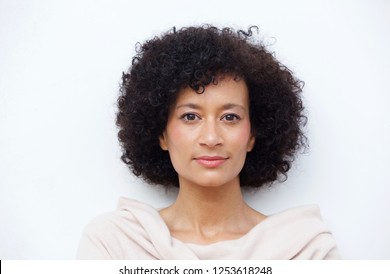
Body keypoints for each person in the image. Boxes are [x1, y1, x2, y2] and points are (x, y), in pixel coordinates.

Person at [76, 25, 340, 259]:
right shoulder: (114, 244)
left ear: (252, 135)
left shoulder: (304, 249)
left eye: (230, 117)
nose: (211, 138)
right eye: (190, 116)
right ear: (161, 134)